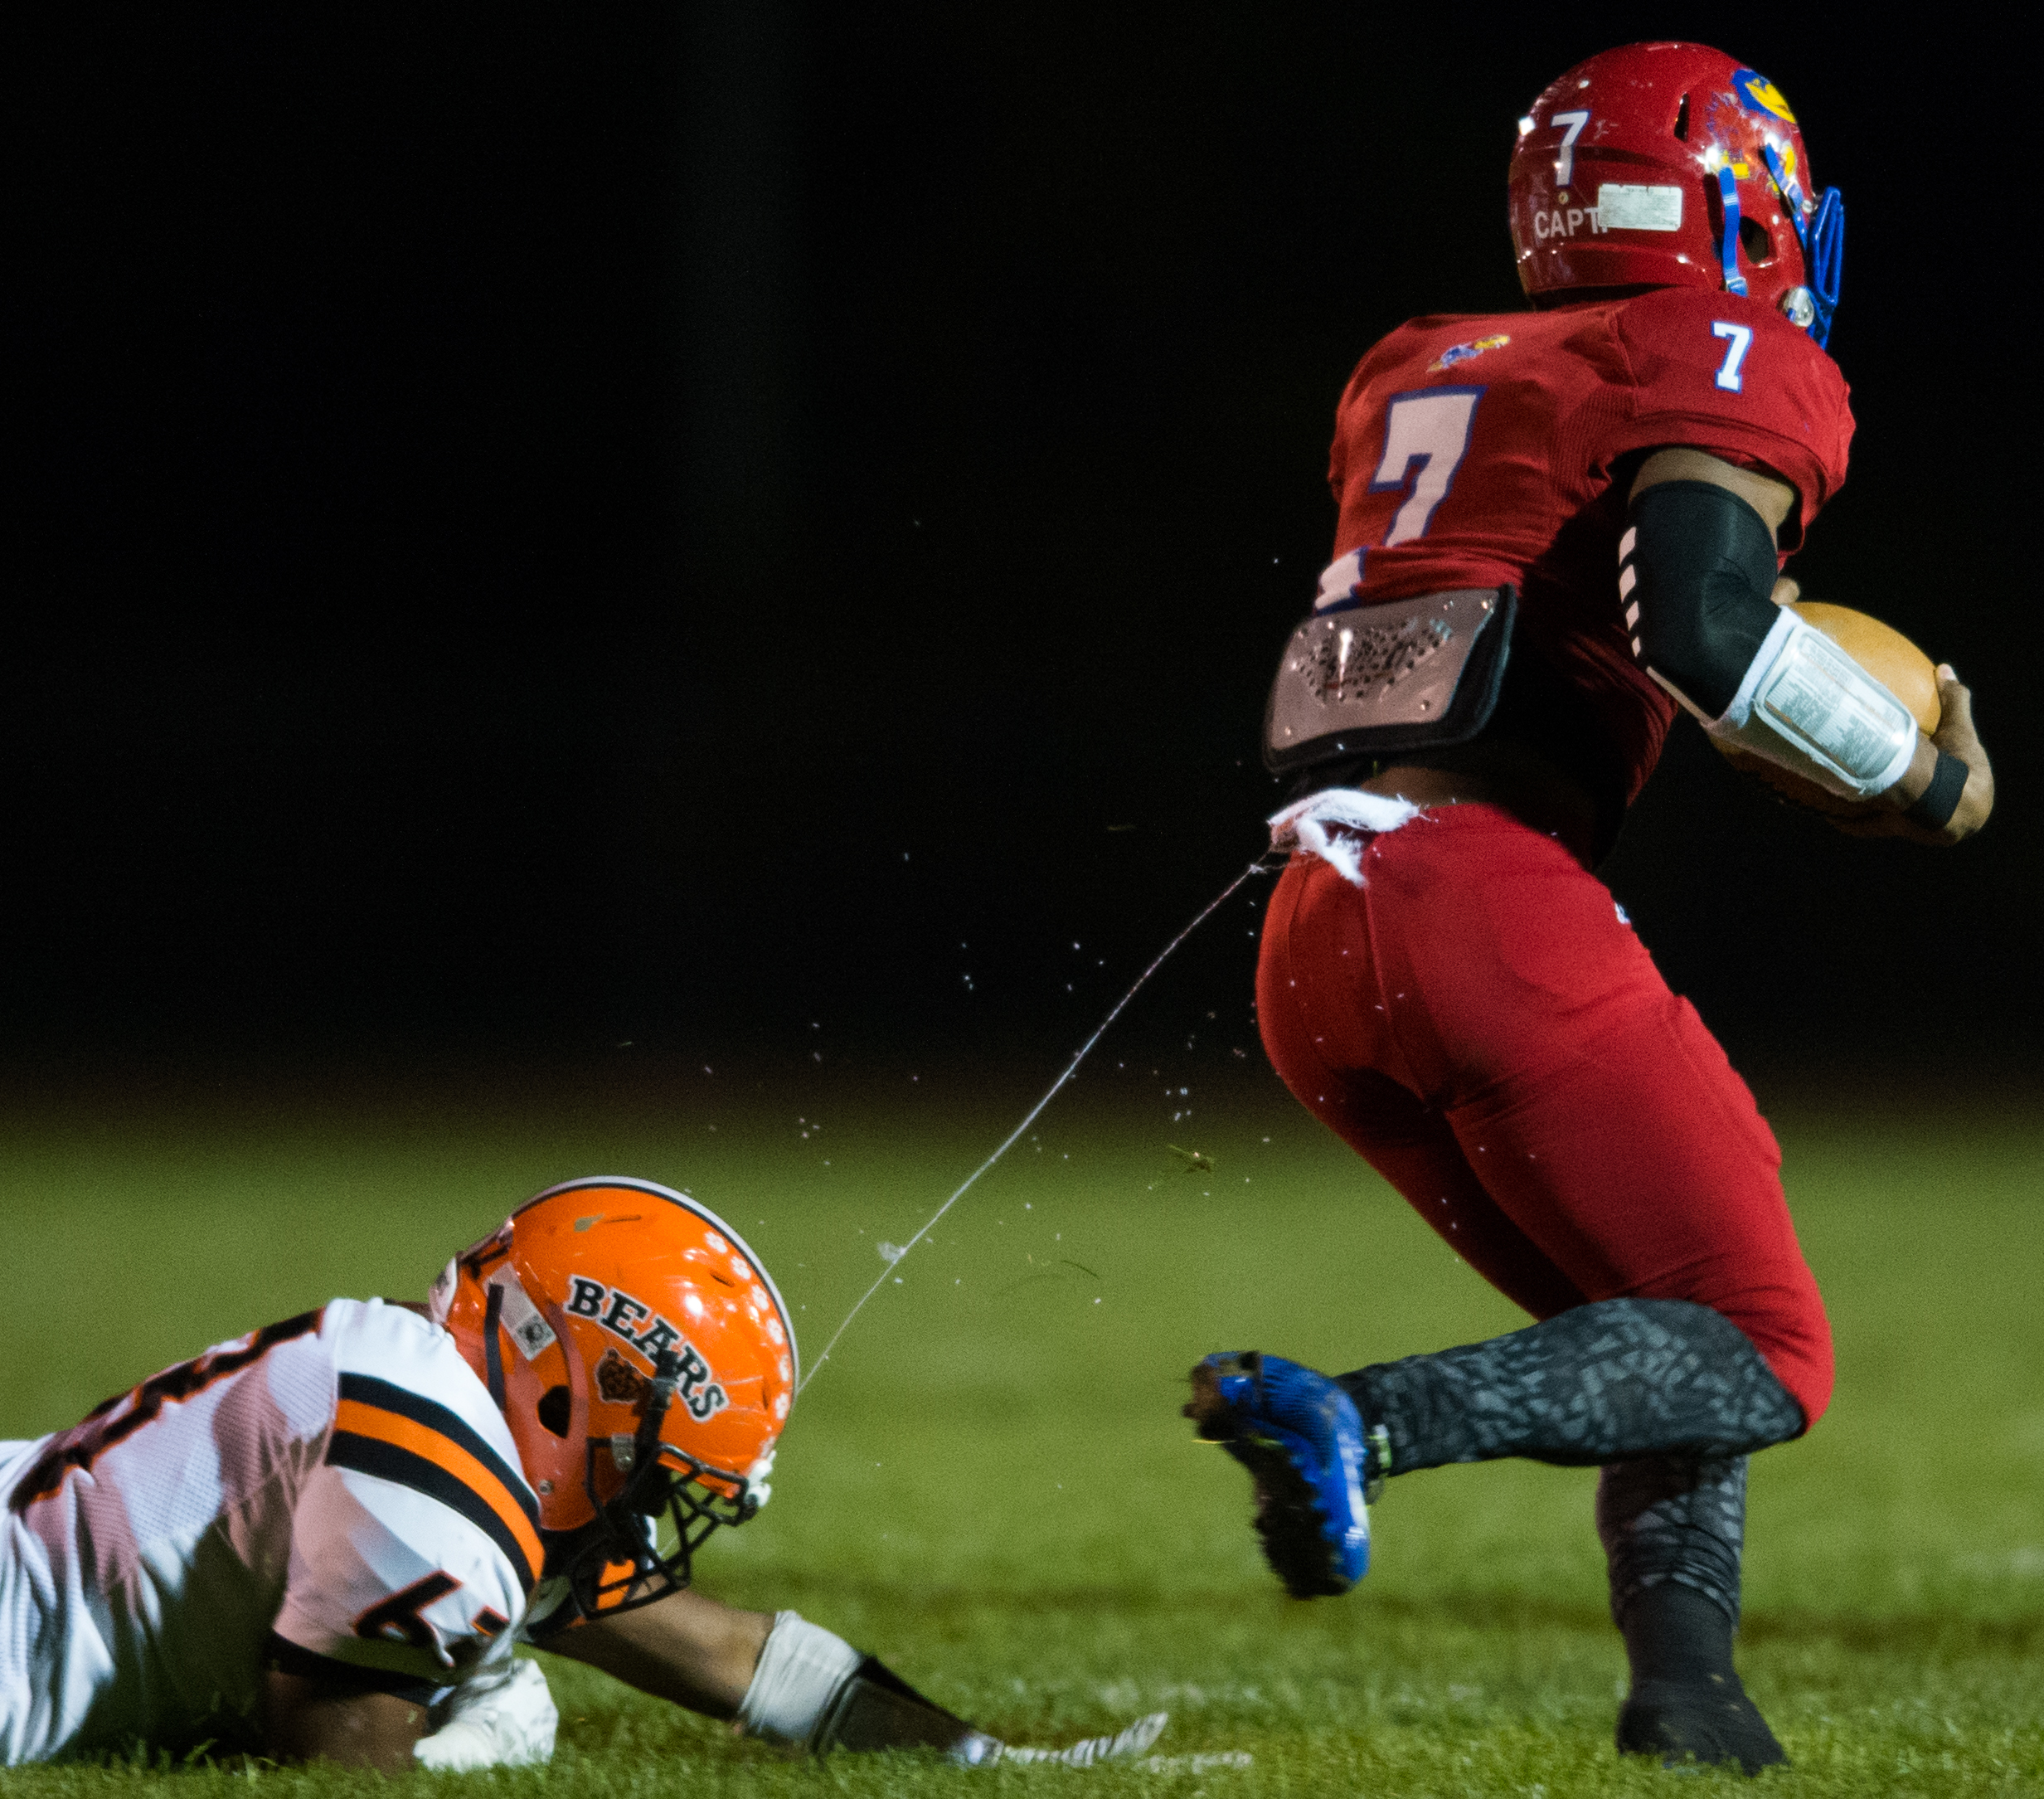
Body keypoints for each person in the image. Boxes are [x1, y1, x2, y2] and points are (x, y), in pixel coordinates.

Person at [1185, 41, 1993, 1777]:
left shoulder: (1420, 359)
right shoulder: (1719, 349)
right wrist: (1929, 782)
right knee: (1768, 1346)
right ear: (1736, 200)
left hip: (1315, 929)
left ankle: (1690, 1696)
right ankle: (1356, 1418)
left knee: (1661, 1327)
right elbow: (1702, 628)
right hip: (1486, 905)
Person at [1, 1175, 1164, 1771]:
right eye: (643, 1466)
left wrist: (983, 1757)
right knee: (505, 1703)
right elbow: (333, 1760)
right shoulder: (437, 1472)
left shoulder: (430, 1383)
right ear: (561, 1386)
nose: (645, 1504)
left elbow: (726, 1649)